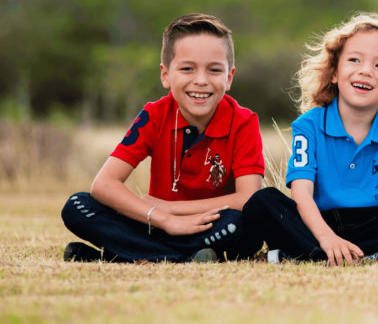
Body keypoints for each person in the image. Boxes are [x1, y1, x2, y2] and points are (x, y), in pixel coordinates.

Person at [240, 13, 378, 265]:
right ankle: (326, 253)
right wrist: (327, 238)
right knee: (262, 203)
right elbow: (302, 194)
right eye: (354, 60)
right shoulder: (309, 126)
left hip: (374, 225)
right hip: (318, 223)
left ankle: (327, 254)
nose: (365, 71)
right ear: (334, 72)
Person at [61, 13, 265, 262]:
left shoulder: (243, 121)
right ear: (166, 75)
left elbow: (247, 198)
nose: (200, 80)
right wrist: (164, 219)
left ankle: (124, 254)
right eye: (187, 69)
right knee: (77, 206)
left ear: (229, 77)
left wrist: (173, 209)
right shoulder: (154, 115)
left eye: (214, 70)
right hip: (156, 225)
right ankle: (182, 258)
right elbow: (104, 185)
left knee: (239, 225)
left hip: (211, 226)